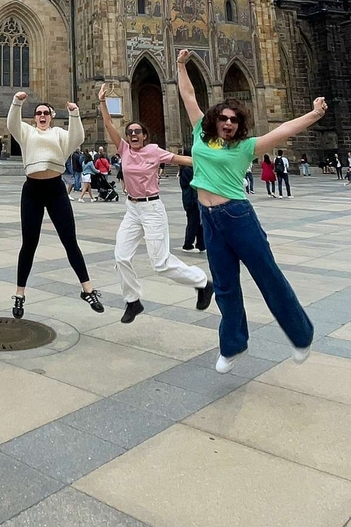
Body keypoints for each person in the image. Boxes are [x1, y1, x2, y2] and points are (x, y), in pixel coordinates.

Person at [177, 47, 325, 372]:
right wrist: (181, 65)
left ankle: (301, 335)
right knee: (226, 285)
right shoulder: (201, 135)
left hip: (237, 216)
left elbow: (282, 130)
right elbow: (188, 95)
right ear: (215, 120)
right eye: (224, 118)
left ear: (239, 125)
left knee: (267, 276)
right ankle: (233, 345)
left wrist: (314, 114)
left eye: (234, 120)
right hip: (209, 219)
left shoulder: (246, 147)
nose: (228, 123)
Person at [98, 84, 212, 323]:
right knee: (121, 256)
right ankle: (133, 301)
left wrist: (212, 162)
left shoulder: (153, 151)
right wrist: (102, 103)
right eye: (130, 132)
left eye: (137, 131)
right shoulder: (124, 150)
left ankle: (202, 283)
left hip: (152, 209)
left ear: (145, 135)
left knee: (160, 263)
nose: (133, 135)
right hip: (132, 209)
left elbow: (182, 159)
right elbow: (109, 125)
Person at [7, 93, 103, 318]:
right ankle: (20, 294)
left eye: (46, 113)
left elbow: (77, 137)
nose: (42, 115)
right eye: (39, 113)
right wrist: (17, 102)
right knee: (29, 244)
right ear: (34, 118)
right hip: (32, 190)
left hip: (55, 190)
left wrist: (74, 113)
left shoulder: (59, 134)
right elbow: (12, 123)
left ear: (51, 117)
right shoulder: (27, 132)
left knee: (70, 241)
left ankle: (87, 289)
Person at [179, 149, 204, 252]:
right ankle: (188, 244)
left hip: (195, 199)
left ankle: (201, 244)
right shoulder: (187, 170)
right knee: (193, 222)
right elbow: (191, 185)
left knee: (199, 222)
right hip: (192, 200)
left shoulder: (191, 169)